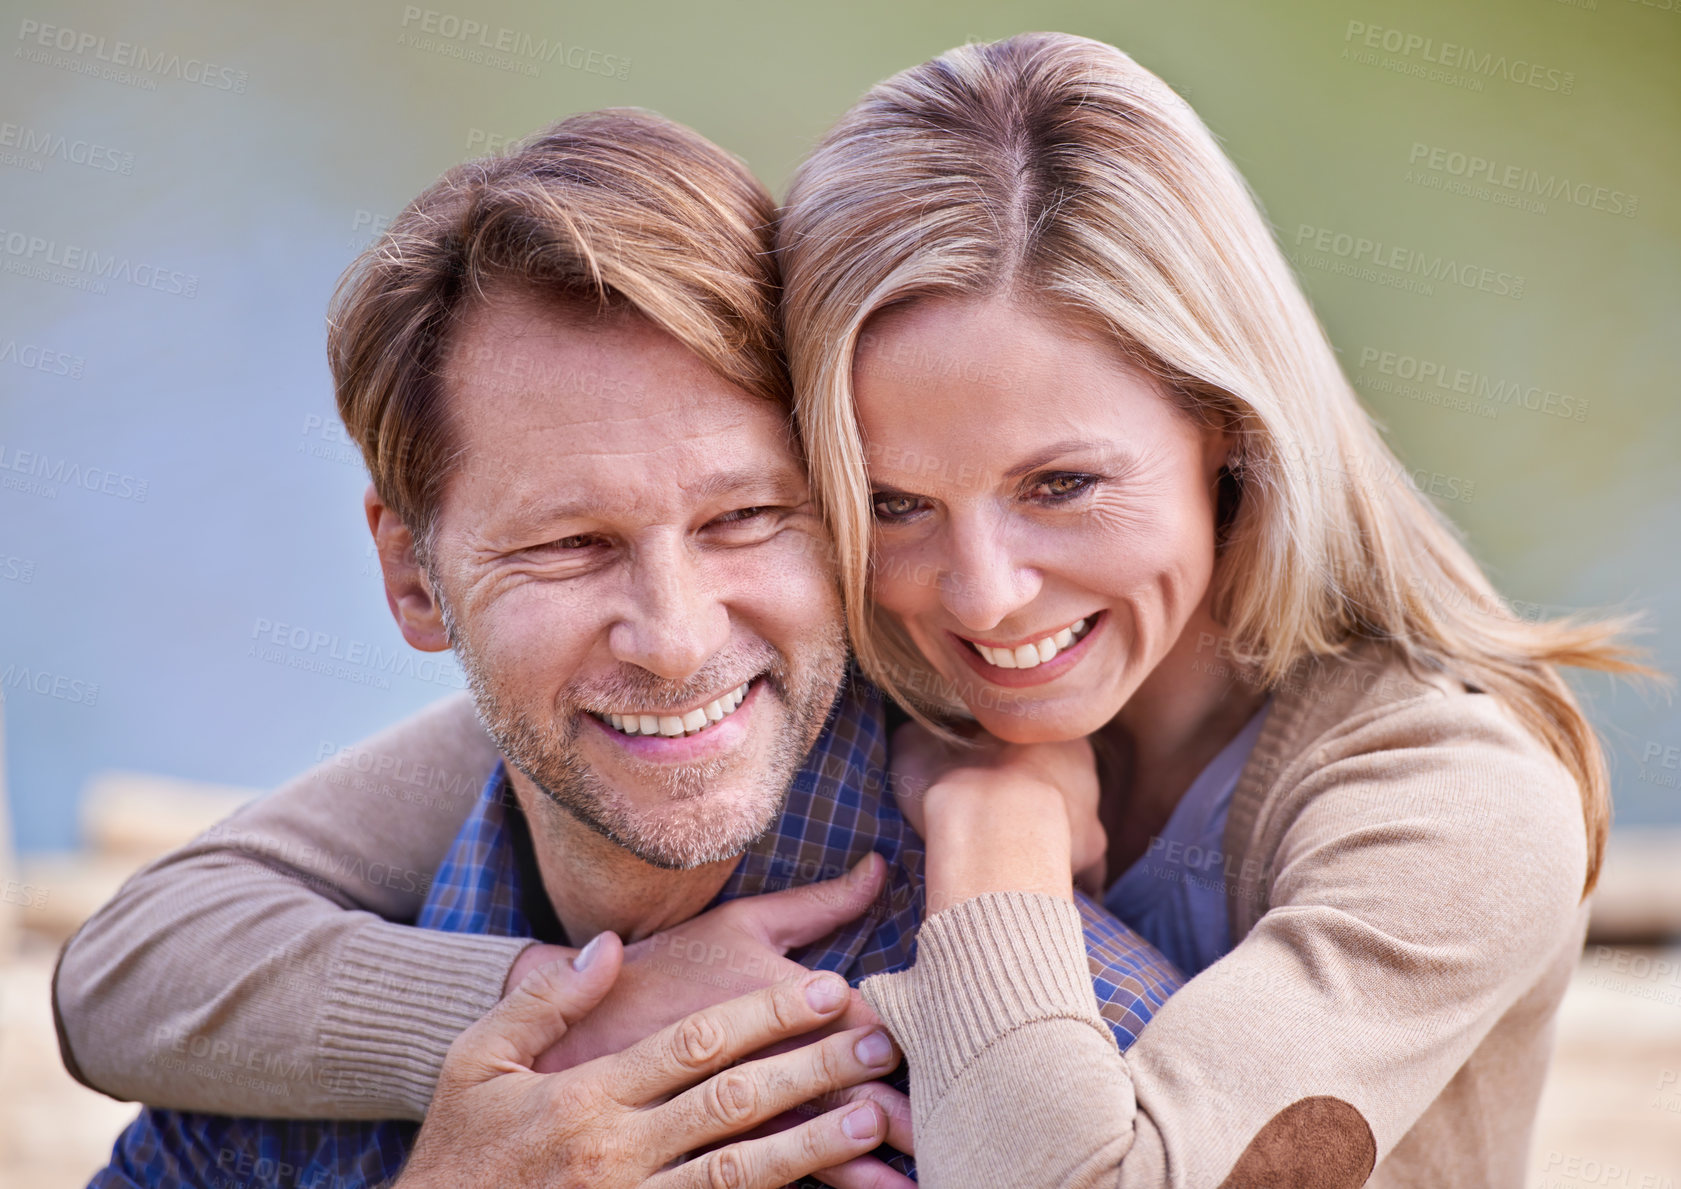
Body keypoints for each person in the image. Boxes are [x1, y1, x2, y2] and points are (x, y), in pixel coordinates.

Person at [59, 105, 1179, 1189]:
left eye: (745, 519)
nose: (676, 639)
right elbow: (113, 980)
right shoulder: (276, 1050)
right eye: (569, 544)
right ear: (413, 578)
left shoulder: (1083, 1064)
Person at [771, 31, 1650, 1187]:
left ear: (1227, 423)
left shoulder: (1460, 808)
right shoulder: (819, 645)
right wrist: (567, 1007)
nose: (981, 594)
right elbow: (486, 808)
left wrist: (999, 830)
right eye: (891, 503)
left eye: (1062, 486)